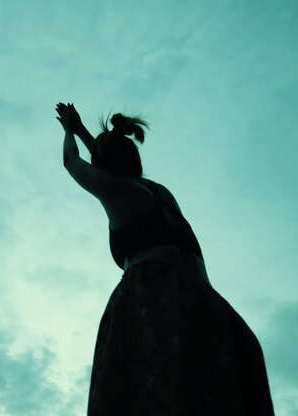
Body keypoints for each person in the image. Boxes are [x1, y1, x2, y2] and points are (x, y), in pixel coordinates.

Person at [56, 102, 275, 415]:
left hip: (152, 296)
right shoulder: (158, 192)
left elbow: (72, 161)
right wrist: (82, 131)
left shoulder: (117, 191)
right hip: (204, 304)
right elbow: (110, 162)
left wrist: (68, 131)